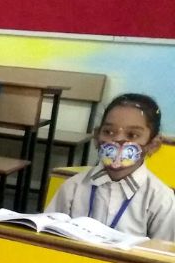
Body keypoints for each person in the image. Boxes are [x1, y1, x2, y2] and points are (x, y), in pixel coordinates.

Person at [47, 93, 174, 241]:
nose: (118, 140)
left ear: (153, 145)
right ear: (96, 137)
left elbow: (165, 256)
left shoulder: (161, 200)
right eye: (109, 132)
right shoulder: (73, 187)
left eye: (132, 135)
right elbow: (49, 236)